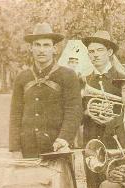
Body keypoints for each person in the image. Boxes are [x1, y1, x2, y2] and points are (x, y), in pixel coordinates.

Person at [9, 22, 82, 158]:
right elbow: (15, 115)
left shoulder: (68, 75)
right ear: (31, 48)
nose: (41, 50)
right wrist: (15, 149)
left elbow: (73, 111)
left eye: (46, 45)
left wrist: (64, 138)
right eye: (37, 45)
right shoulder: (22, 77)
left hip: (57, 147)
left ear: (55, 49)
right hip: (27, 149)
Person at [81, 30, 125, 188]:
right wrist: (88, 112)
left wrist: (113, 120)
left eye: (99, 50)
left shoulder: (122, 79)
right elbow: (76, 113)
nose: (95, 55)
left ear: (109, 53)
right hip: (91, 142)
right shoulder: (84, 80)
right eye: (91, 52)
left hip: (115, 144)